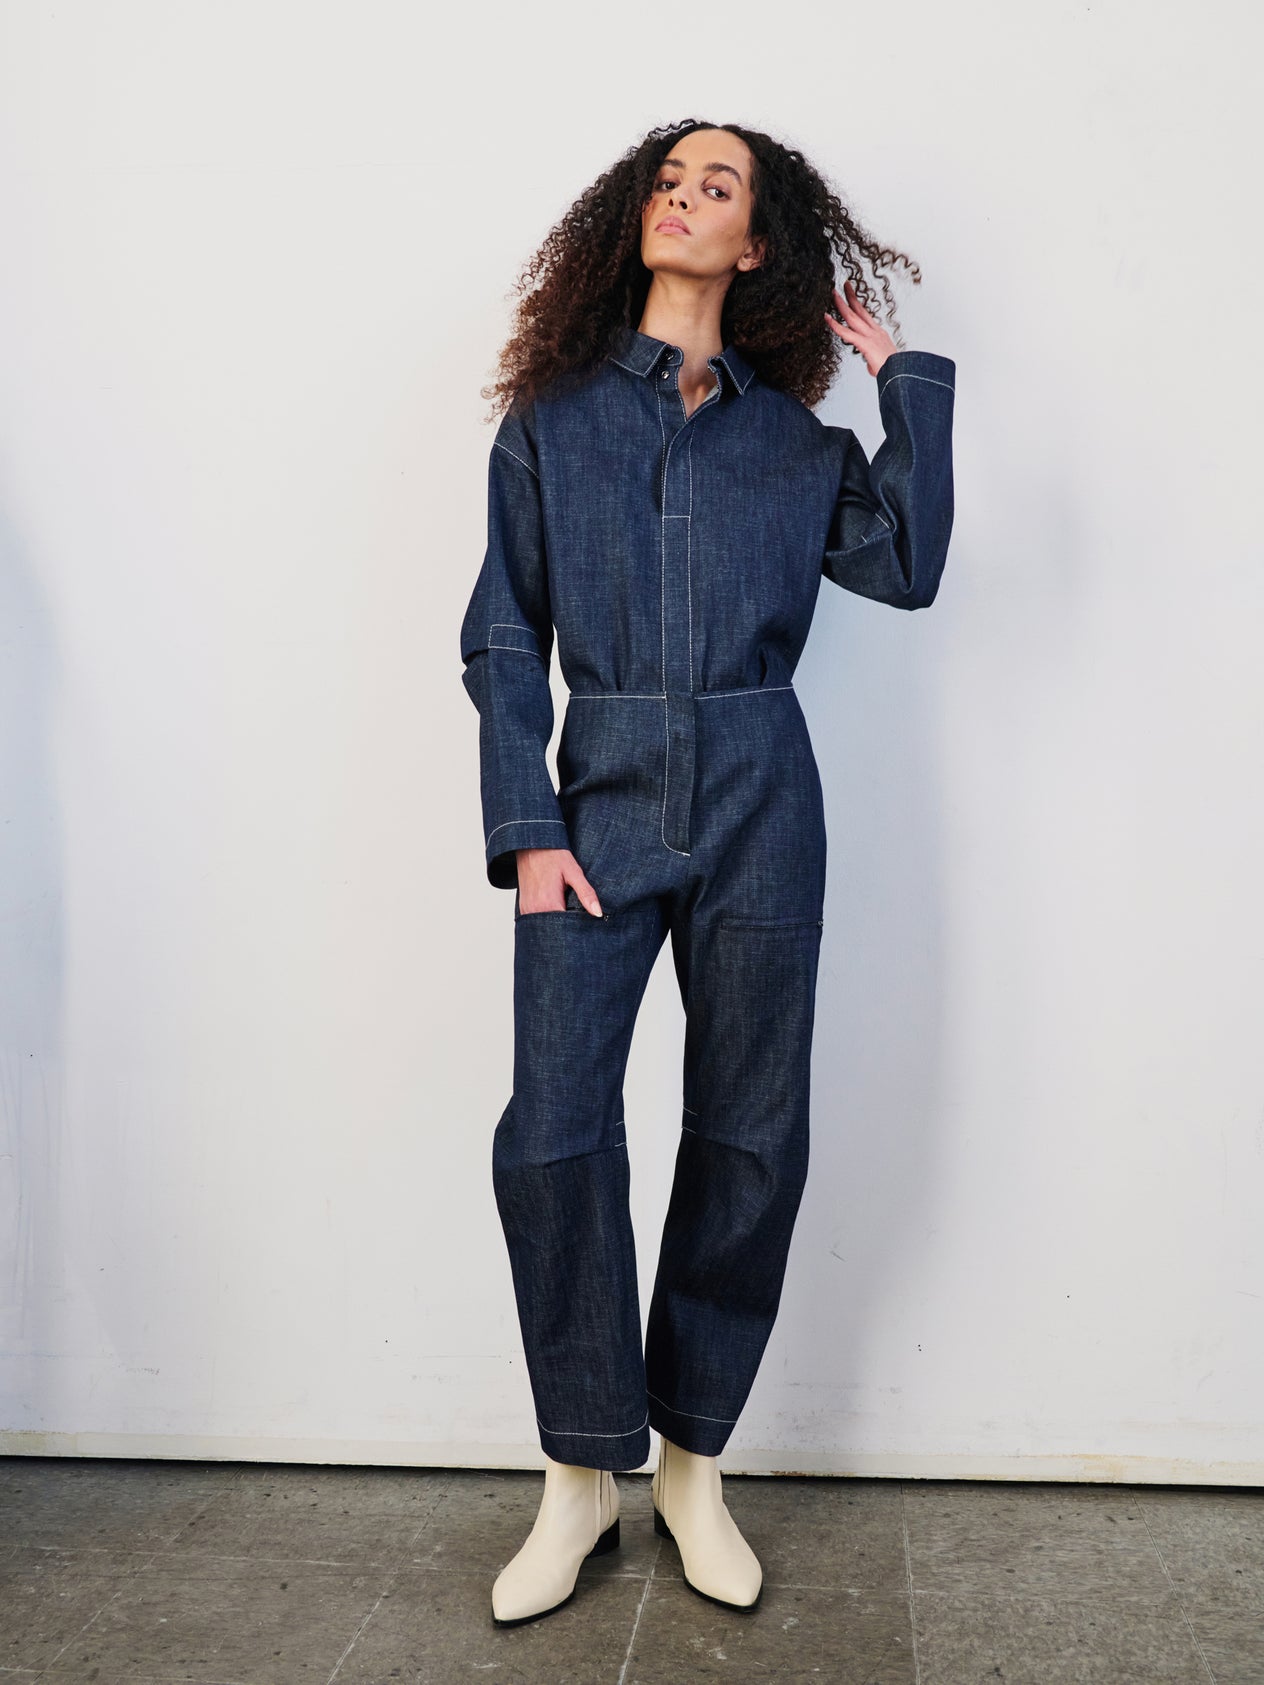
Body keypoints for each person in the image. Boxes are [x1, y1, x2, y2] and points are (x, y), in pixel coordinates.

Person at [459, 119, 956, 1626]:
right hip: (596, 803)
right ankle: (579, 1474)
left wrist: (906, 387)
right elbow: (502, 635)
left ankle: (691, 1463)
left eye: (716, 186)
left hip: (761, 795)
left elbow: (906, 565)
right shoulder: (551, 421)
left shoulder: (793, 446)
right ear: (635, 219)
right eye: (668, 181)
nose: (683, 199)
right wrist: (527, 826)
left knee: (749, 1135)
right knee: (553, 1134)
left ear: (758, 246)